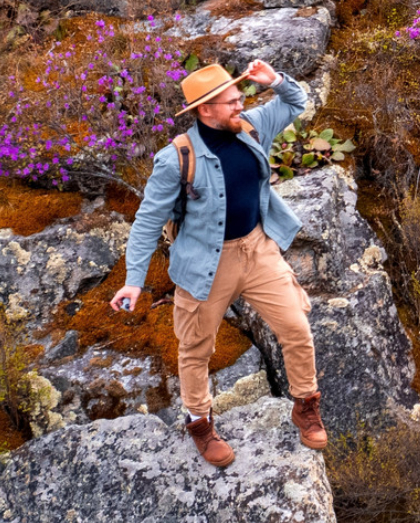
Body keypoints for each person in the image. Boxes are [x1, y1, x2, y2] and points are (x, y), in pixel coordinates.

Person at [112, 58, 326, 467]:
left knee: (296, 326)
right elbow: (146, 222)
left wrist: (275, 79)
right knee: (196, 348)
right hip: (205, 262)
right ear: (204, 109)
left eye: (240, 97)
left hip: (257, 249)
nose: (240, 105)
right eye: (230, 101)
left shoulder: (251, 126)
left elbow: (295, 102)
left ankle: (305, 404)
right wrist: (134, 280)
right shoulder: (176, 159)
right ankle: (200, 424)